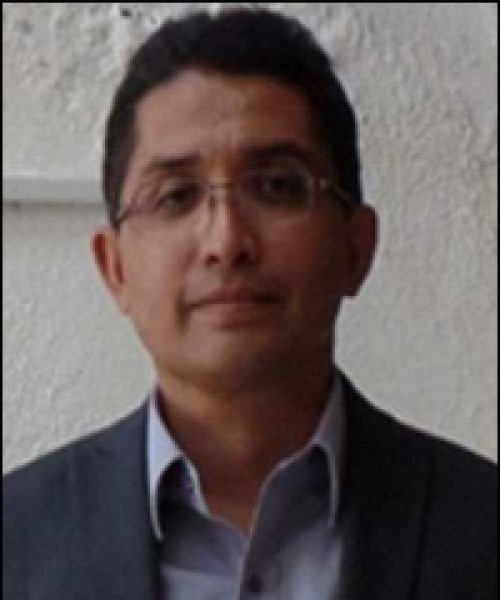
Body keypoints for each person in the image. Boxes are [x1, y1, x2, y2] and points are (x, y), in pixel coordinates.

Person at [3, 7, 496, 600]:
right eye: (176, 196)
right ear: (115, 269)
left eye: (277, 187)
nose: (226, 241)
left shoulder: (481, 527)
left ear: (356, 247)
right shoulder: (16, 541)